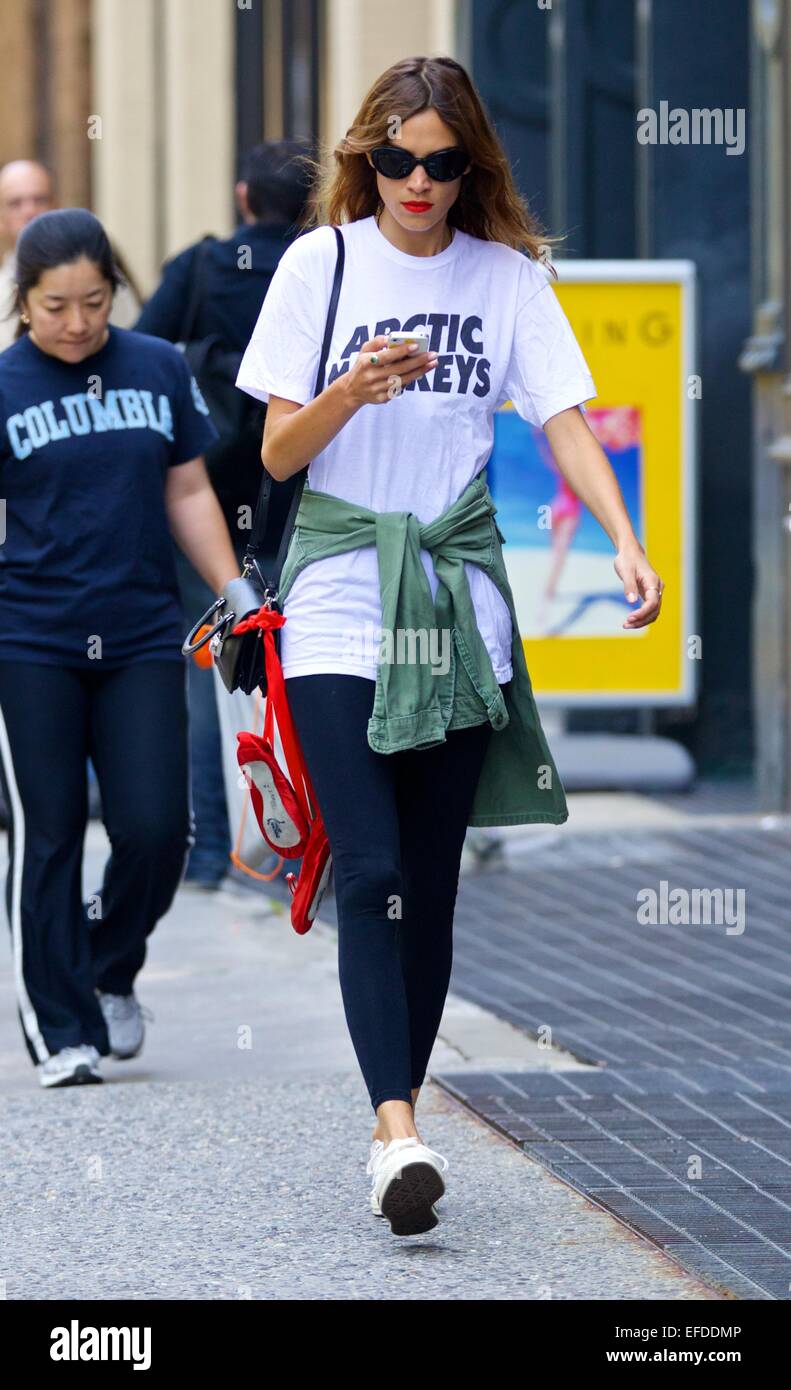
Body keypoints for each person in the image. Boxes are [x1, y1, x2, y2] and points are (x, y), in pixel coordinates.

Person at [236, 54, 664, 1237]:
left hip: (455, 607)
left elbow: (563, 419)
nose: (415, 183)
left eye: (438, 163)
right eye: (392, 160)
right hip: (334, 595)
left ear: (469, 165)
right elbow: (275, 455)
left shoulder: (508, 279)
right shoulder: (317, 266)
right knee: (367, 872)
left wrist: (623, 540)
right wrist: (349, 392)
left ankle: (400, 1113)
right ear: (362, 159)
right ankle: (396, 1131)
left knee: (426, 888)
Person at [0, 208, 239, 1089]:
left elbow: (186, 488)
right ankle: (60, 1029)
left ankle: (104, 963)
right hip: (29, 638)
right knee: (49, 832)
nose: (76, 323)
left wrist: (233, 588)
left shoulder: (157, 365)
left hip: (140, 632)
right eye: (55, 305)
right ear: (23, 302)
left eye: (94, 302)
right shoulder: (4, 385)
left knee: (155, 831)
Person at [135, 140, 312, 888]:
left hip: (205, 506)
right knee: (309, 673)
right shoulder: (322, 272)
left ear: (244, 197)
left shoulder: (202, 268)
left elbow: (138, 355)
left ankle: (211, 851)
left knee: (210, 667)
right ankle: (309, 843)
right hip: (302, 500)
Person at [0, 159, 141, 351]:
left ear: (57, 204)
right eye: (16, 204)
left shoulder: (93, 255)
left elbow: (133, 331)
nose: (30, 211)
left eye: (40, 200)